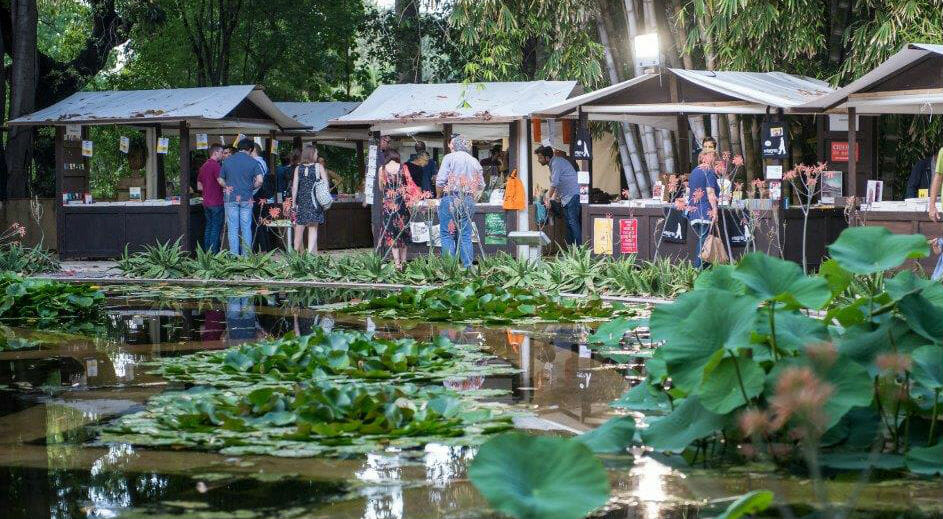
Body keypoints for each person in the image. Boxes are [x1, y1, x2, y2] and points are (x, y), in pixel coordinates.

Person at [436, 134, 484, 267]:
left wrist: (439, 196)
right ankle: (468, 266)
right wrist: (472, 196)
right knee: (465, 234)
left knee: (447, 233)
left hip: (450, 196)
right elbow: (481, 185)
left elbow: (440, 181)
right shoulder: (474, 161)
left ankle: (450, 268)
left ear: (454, 145)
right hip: (468, 198)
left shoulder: (449, 158)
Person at [219, 138, 264, 255]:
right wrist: (252, 187)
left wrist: (227, 186)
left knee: (233, 228)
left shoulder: (227, 161)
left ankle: (234, 256)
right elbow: (260, 180)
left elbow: (220, 179)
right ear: (250, 149)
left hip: (231, 199)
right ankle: (246, 256)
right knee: (246, 228)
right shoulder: (253, 162)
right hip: (247, 199)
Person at [537, 145, 581, 246]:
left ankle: (580, 251)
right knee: (569, 225)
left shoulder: (556, 163)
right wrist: (556, 197)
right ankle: (572, 250)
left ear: (547, 158)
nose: (538, 160)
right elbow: (558, 182)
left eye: (540, 157)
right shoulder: (554, 163)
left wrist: (547, 198)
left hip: (572, 196)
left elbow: (554, 183)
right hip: (567, 197)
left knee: (573, 223)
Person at [379, 149, 415, 269]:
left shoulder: (382, 169)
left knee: (391, 234)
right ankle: (404, 262)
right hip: (401, 204)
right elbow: (409, 185)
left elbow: (381, 187)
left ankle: (397, 264)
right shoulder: (403, 167)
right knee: (403, 232)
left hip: (388, 205)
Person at [687, 151, 721, 269]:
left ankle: (703, 269)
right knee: (704, 241)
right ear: (705, 159)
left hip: (693, 212)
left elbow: (689, 192)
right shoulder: (708, 172)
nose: (715, 162)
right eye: (713, 159)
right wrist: (715, 211)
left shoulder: (693, 172)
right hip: (705, 211)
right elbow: (710, 193)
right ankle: (697, 269)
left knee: (702, 239)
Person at [291, 145, 326, 254]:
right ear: (312, 154)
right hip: (315, 202)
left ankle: (296, 253)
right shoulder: (319, 167)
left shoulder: (298, 168)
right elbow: (325, 183)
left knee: (300, 227)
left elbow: (295, 187)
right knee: (313, 228)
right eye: (316, 153)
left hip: (302, 202)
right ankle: (311, 255)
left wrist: (293, 203)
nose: (317, 155)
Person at [196, 144, 224, 252]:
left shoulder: (203, 166)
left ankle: (206, 253)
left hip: (206, 202)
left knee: (209, 227)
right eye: (221, 152)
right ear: (215, 153)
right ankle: (214, 254)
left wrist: (208, 189)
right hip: (216, 201)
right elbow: (220, 181)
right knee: (216, 228)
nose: (222, 154)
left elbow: (199, 186)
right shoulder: (216, 166)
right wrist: (229, 187)